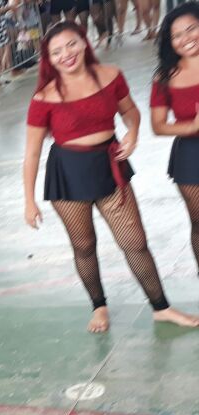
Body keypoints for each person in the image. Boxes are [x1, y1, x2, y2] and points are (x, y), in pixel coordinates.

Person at [23, 22, 199, 332]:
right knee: (84, 246)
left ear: (84, 42)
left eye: (71, 44)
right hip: (68, 174)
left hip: (110, 166)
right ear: (48, 59)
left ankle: (161, 308)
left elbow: (130, 112)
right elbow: (33, 154)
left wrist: (132, 133)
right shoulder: (44, 97)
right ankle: (99, 306)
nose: (66, 54)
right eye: (56, 51)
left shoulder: (110, 75)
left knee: (135, 242)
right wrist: (29, 200)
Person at [151, 3, 199, 277]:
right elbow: (158, 126)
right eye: (177, 35)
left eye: (191, 29)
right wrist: (192, 125)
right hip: (190, 155)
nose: (186, 38)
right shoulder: (165, 77)